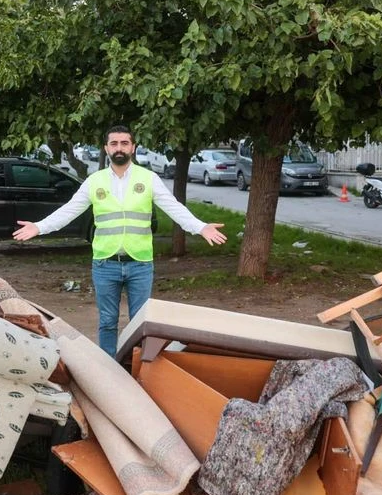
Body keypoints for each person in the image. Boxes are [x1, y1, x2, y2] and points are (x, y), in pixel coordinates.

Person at [13, 125, 228, 357]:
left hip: (140, 263)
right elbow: (69, 211)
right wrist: (39, 227)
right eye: (114, 143)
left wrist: (200, 227)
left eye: (124, 143)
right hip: (105, 263)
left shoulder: (148, 179)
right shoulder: (94, 181)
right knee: (107, 321)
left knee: (140, 322)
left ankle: (135, 367)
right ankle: (110, 366)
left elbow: (174, 208)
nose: (119, 148)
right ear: (106, 148)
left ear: (133, 147)